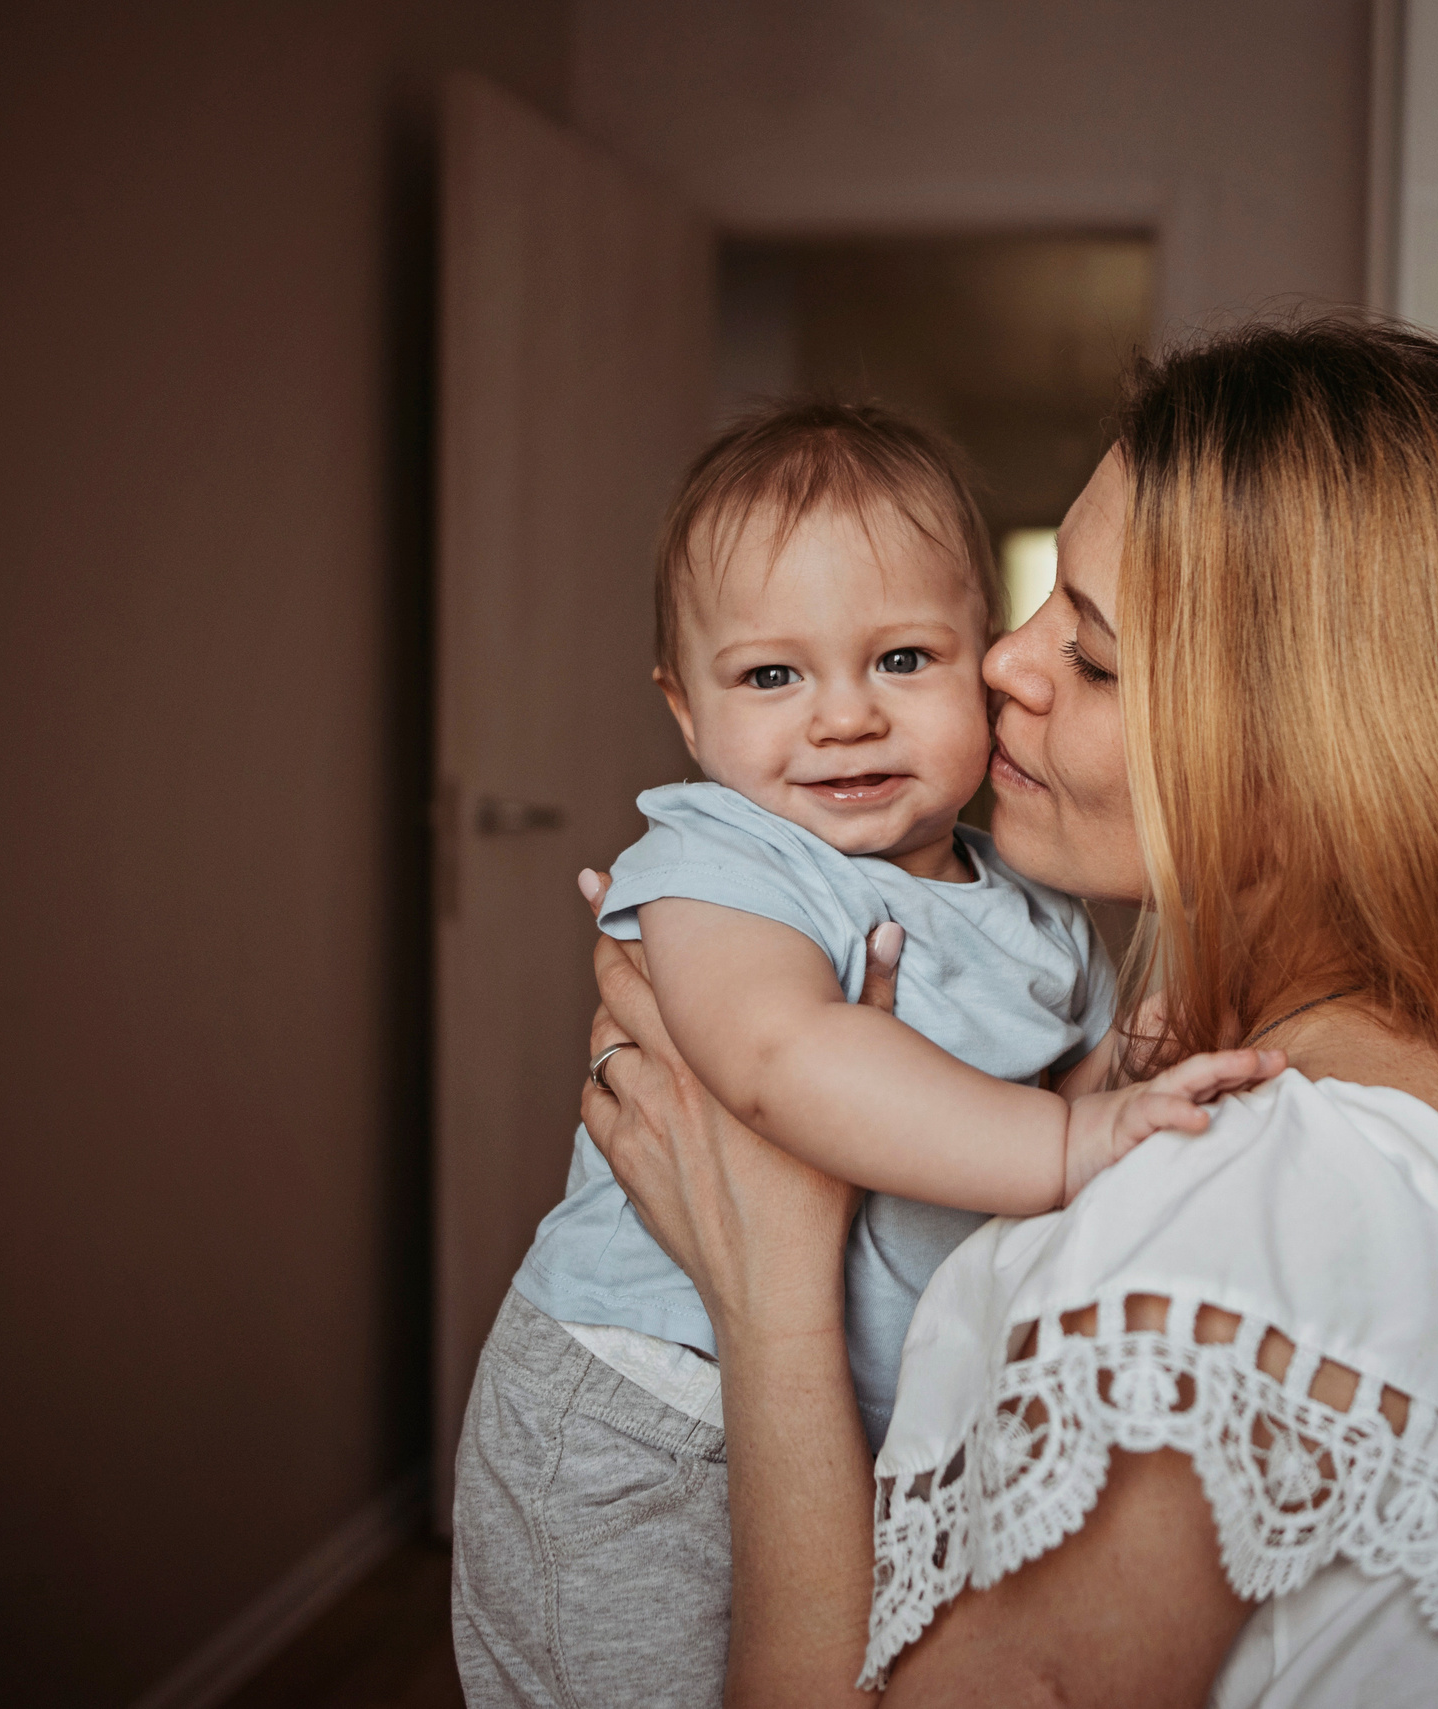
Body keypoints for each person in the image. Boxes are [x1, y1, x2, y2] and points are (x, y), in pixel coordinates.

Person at [579, 320, 1438, 1705]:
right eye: (1036, 611)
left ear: (1311, 764)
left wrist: (773, 1290)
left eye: (1088, 656)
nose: (1003, 669)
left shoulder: (1226, 1224)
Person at [450, 402, 1274, 1709]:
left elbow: (992, 1106)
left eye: (899, 657)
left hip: (833, 1414)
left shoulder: (1034, 906)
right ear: (683, 707)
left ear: (978, 664)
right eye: (773, 676)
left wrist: (1107, 1076)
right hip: (641, 1406)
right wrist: (1068, 1141)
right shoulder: (723, 863)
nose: (842, 717)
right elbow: (778, 1056)